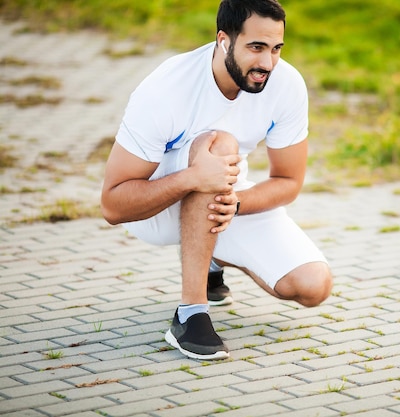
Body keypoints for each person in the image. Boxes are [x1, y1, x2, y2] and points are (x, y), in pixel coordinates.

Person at [101, 0, 333, 360]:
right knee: (218, 144)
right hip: (155, 212)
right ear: (224, 40)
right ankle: (190, 314)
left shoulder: (286, 84)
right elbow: (113, 205)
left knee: (313, 286)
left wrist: (237, 203)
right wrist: (192, 177)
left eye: (276, 49)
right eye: (256, 48)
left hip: (221, 198)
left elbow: (289, 181)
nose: (267, 64)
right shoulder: (166, 88)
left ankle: (211, 258)